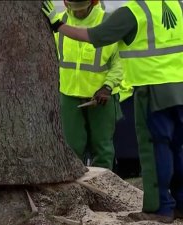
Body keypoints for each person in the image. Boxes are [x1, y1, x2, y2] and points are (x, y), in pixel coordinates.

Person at [42, 0, 183, 223]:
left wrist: (58, 25)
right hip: (179, 87)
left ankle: (160, 208)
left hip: (153, 88)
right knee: (178, 147)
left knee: (156, 149)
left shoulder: (134, 11)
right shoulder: (175, 4)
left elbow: (96, 36)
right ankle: (179, 204)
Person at [53, 0, 122, 169]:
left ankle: (104, 191)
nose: (78, 13)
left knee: (102, 149)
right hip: (69, 95)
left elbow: (121, 61)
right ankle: (74, 190)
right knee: (71, 148)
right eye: (74, 9)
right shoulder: (59, 22)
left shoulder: (108, 22)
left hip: (101, 97)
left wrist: (107, 86)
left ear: (93, 2)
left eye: (82, 9)